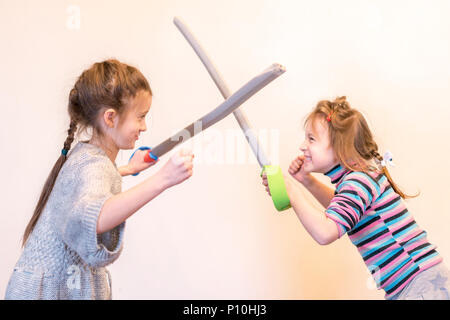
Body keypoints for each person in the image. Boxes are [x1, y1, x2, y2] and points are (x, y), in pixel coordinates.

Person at [5, 59, 194, 299]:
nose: (144, 126)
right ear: (110, 118)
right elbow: (94, 217)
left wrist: (127, 169)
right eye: (140, 116)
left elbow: (90, 190)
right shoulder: (93, 164)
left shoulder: (86, 157)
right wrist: (163, 180)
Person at [262, 96, 449, 299]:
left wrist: (291, 189)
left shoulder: (358, 181)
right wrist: (306, 181)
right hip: (416, 281)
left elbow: (325, 232)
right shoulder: (359, 178)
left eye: (311, 139)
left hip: (418, 282)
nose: (302, 146)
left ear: (340, 147)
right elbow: (344, 210)